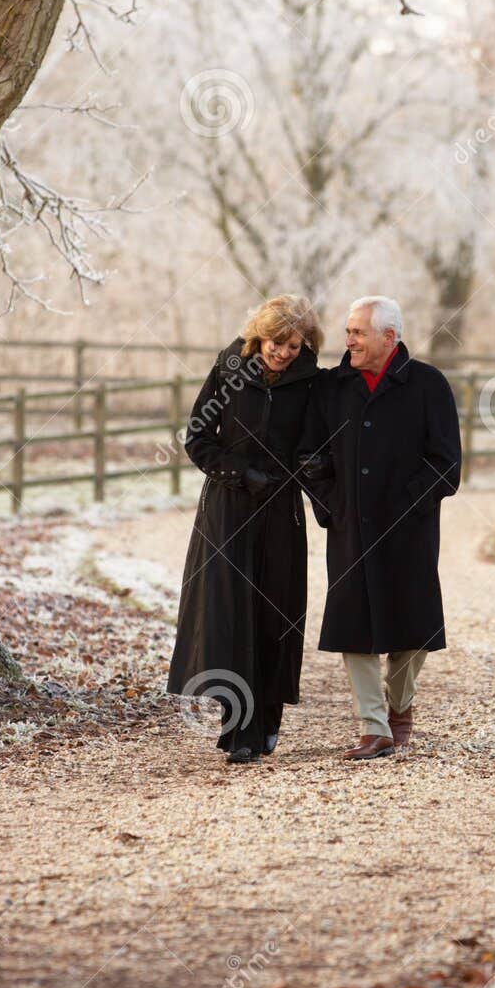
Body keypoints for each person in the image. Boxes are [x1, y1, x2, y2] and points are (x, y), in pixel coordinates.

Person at [301, 297, 462, 761]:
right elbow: (309, 457)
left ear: (389, 337)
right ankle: (374, 726)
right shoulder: (332, 387)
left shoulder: (428, 385)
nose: (348, 339)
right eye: (348, 331)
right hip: (350, 527)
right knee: (354, 624)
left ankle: (400, 705)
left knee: (412, 626)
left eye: (358, 332)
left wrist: (405, 504)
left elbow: (446, 464)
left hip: (409, 528)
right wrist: (333, 506)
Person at [168, 294, 322, 763]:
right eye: (277, 342)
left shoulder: (311, 381)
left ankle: (267, 718)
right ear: (260, 335)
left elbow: (317, 443)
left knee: (275, 614)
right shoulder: (230, 366)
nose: (283, 353)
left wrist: (306, 470)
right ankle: (238, 727)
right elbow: (197, 439)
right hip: (229, 509)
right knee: (231, 613)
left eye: (294, 345)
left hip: (280, 509)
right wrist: (239, 474)